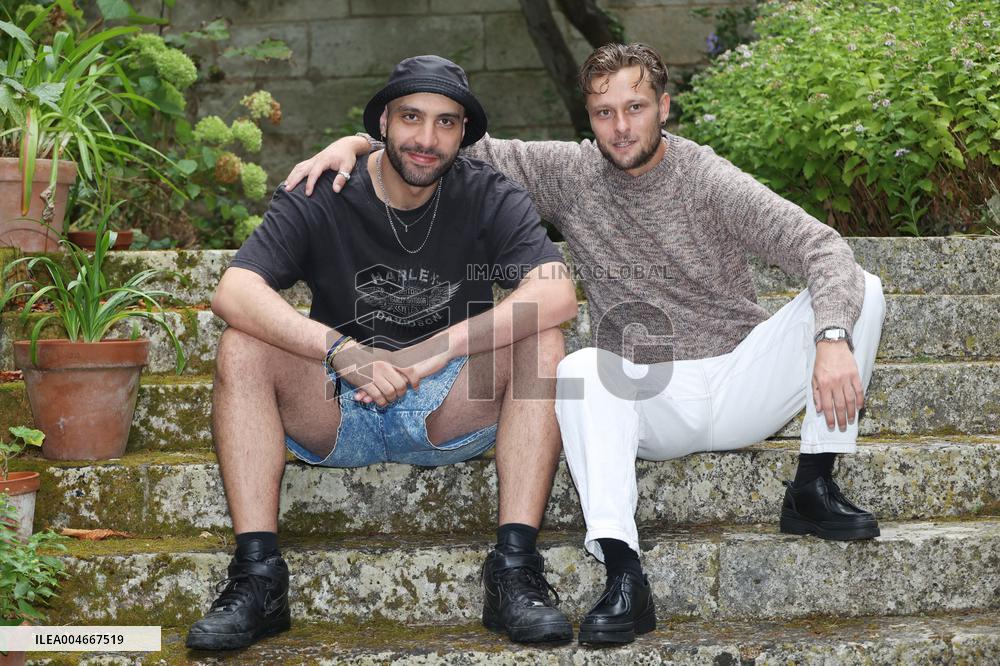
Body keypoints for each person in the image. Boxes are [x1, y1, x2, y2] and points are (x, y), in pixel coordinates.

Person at [286, 43, 887, 646]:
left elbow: (823, 247)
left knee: (862, 287)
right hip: (652, 397)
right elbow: (444, 143)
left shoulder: (706, 176)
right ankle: (624, 575)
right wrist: (355, 144)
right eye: (604, 113)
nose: (621, 128)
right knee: (578, 366)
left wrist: (831, 338)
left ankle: (813, 484)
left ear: (664, 107)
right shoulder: (572, 174)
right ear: (589, 117)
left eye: (636, 107)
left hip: (740, 377)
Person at [186, 55, 582, 651]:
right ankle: (258, 578)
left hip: (449, 403)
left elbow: (557, 293)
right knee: (242, 346)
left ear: (465, 134)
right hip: (335, 408)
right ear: (383, 124)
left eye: (447, 122)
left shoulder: (488, 192)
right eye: (412, 118)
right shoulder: (326, 190)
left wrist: (436, 349)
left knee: (543, 341)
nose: (427, 139)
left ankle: (516, 572)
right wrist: (342, 350)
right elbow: (233, 291)